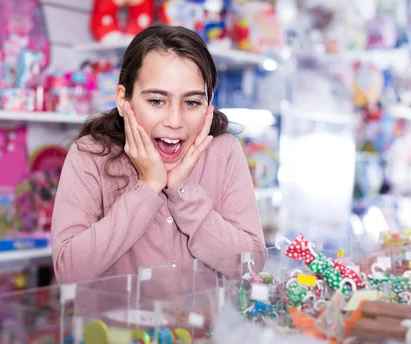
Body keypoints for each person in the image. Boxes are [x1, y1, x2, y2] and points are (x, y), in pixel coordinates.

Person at [51, 25, 266, 285]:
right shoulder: (90, 155)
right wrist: (148, 187)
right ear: (123, 100)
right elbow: (69, 272)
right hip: (115, 327)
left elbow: (250, 265)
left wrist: (183, 190)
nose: (175, 121)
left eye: (192, 102)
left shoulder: (224, 152)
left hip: (203, 327)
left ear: (208, 104)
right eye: (156, 101)